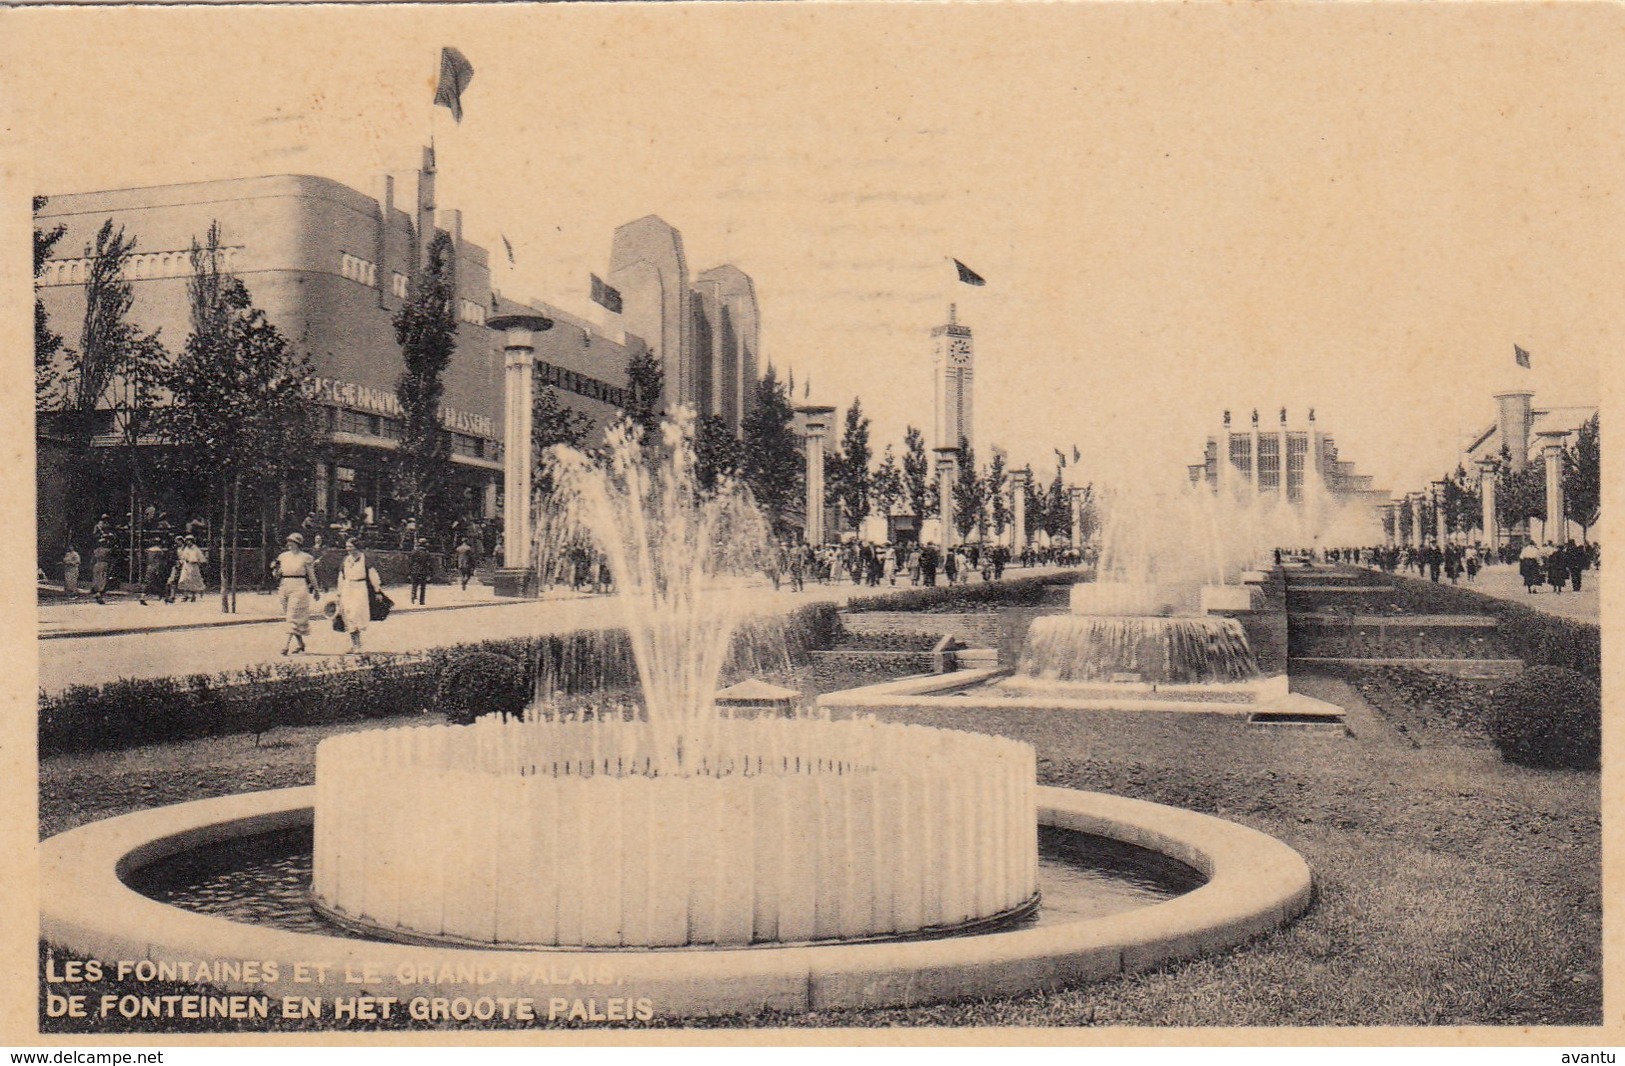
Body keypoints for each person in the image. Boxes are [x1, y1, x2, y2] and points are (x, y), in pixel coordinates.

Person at [271, 532, 321, 655]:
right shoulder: (283, 556)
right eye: (288, 541)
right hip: (284, 585)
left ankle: (285, 646)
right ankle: (300, 644)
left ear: (298, 544)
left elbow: (311, 575)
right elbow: (277, 573)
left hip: (299, 586)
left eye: (292, 542)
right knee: (290, 616)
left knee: (292, 616)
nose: (289, 544)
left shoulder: (306, 557)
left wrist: (316, 589)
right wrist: (274, 570)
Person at [337, 538, 383, 654]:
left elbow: (373, 575)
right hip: (348, 587)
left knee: (356, 614)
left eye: (350, 546)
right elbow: (341, 577)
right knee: (348, 615)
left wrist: (377, 590)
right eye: (347, 547)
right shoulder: (346, 560)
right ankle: (354, 645)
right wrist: (339, 592)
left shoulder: (364, 559)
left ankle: (358, 644)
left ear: (356, 547)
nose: (348, 549)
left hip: (360, 587)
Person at [139, 537, 172, 606]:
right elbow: (159, 562)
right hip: (157, 568)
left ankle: (142, 598)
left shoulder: (148, 551)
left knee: (148, 583)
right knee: (162, 583)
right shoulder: (159, 551)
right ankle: (166, 598)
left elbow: (145, 560)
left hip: (149, 568)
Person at [176, 535, 207, 602]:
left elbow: (200, 558)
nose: (188, 542)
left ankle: (193, 596)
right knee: (184, 580)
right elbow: (183, 557)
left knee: (193, 581)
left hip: (193, 566)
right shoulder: (186, 548)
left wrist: (194, 560)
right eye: (187, 541)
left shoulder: (195, 549)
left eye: (189, 541)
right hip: (186, 566)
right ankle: (185, 595)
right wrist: (182, 561)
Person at [408, 538, 433, 605]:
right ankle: (421, 601)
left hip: (414, 570)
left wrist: (409, 572)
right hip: (423, 571)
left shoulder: (414, 551)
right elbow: (429, 564)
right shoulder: (427, 553)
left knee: (414, 585)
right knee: (423, 587)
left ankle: (413, 596)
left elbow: (410, 562)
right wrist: (430, 573)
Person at [90, 538, 112, 604]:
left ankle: (96, 592)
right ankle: (100, 594)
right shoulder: (107, 550)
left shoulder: (95, 551)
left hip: (96, 565)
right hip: (104, 564)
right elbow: (110, 559)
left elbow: (92, 560)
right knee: (103, 580)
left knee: (96, 579)